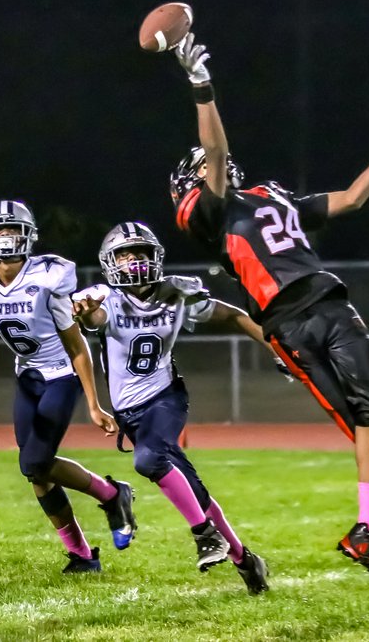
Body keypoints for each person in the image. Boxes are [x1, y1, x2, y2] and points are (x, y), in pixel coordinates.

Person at [165, 33, 369, 577]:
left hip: (327, 301)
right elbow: (216, 153)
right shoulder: (205, 215)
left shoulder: (270, 196)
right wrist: (201, 87)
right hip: (285, 325)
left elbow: (352, 199)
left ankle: (365, 531)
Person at [72, 221, 270, 595]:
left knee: (148, 461)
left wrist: (274, 346)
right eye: (125, 255)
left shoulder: (176, 294)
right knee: (194, 492)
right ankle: (245, 560)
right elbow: (94, 317)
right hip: (130, 412)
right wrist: (84, 312)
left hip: (166, 397)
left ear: (156, 257)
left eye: (141, 253)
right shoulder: (106, 298)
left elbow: (231, 314)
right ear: (111, 262)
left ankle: (204, 534)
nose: (134, 261)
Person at [0, 200, 137, 574]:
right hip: (28, 377)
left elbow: (76, 346)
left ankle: (111, 494)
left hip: (62, 375)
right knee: (36, 473)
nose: (5, 237)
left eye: (12, 229)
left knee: (34, 461)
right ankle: (83, 556)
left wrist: (93, 404)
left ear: (28, 235)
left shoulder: (49, 276)